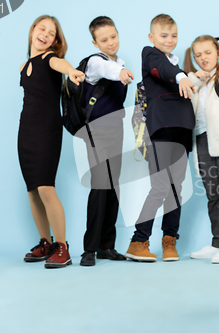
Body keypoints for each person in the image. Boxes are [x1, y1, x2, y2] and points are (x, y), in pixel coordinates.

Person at [124, 14, 195, 262]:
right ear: (152, 37)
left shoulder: (179, 64)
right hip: (162, 129)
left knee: (176, 189)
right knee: (161, 187)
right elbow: (164, 69)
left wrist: (190, 76)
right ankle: (138, 241)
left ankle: (169, 241)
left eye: (174, 35)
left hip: (183, 130)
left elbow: (177, 72)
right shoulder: (151, 55)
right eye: (164, 35)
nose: (170, 40)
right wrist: (181, 77)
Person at [19, 15, 85, 268]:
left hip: (47, 129)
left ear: (55, 41)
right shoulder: (24, 67)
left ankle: (63, 247)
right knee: (32, 191)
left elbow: (61, 65)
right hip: (25, 131)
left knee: (46, 187)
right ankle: (45, 243)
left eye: (51, 33)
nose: (44, 34)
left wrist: (72, 72)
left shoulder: (50, 59)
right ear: (33, 29)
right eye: (41, 28)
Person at [79, 16, 134, 267]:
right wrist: (120, 71)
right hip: (97, 132)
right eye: (104, 39)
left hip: (116, 130)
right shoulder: (96, 62)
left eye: (113, 36)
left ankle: (106, 246)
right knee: (100, 186)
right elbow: (107, 71)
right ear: (95, 42)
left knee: (114, 187)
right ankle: (89, 249)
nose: (111, 42)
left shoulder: (120, 62)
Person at [183, 36, 219, 264]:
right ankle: (217, 242)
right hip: (202, 142)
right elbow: (187, 86)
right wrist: (194, 77)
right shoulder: (199, 80)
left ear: (217, 53)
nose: (203, 58)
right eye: (198, 55)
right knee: (213, 195)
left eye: (207, 52)